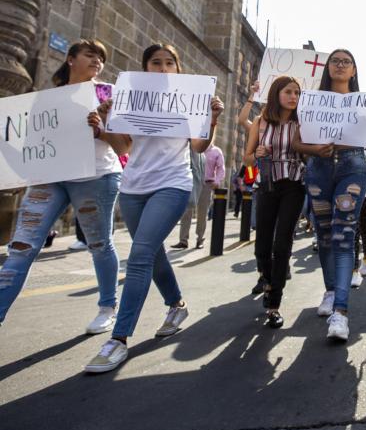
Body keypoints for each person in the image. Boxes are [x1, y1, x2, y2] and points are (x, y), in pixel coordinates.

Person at [84, 43, 224, 373]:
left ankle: (118, 340)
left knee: (140, 254)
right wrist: (105, 127)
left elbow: (199, 146)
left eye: (168, 63)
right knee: (153, 252)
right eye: (155, 62)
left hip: (173, 184)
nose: (162, 68)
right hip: (133, 188)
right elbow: (124, 146)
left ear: (177, 69)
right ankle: (176, 305)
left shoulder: (188, 99)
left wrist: (213, 119)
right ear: (145, 68)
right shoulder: (132, 97)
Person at [0, 40, 122, 335]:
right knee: (21, 248)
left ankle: (108, 307)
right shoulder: (48, 97)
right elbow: (29, 143)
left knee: (99, 244)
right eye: (90, 55)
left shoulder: (107, 94)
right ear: (70, 59)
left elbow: (124, 144)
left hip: (96, 177)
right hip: (49, 178)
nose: (97, 61)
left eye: (101, 58)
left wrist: (101, 130)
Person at [294, 48, 366, 342]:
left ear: (354, 70)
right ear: (327, 68)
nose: (341, 65)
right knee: (325, 235)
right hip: (319, 169)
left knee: (344, 235)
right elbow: (297, 142)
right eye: (335, 61)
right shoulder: (312, 101)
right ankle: (331, 291)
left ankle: (341, 313)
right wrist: (315, 150)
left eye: (347, 62)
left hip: (351, 167)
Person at [244, 75, 305, 329]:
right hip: (267, 185)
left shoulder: (303, 122)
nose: (293, 97)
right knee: (262, 245)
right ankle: (266, 279)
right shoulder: (260, 122)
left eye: (297, 93)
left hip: (294, 184)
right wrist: (255, 154)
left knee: (282, 244)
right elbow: (246, 160)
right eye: (289, 92)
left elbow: (309, 152)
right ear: (276, 94)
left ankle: (274, 303)